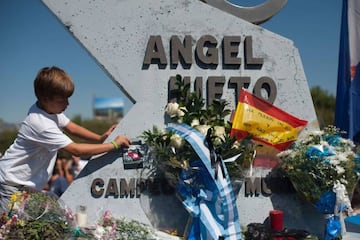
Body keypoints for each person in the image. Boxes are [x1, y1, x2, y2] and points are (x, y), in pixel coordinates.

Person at [0, 66, 131, 213]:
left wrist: (100, 138)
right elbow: (76, 150)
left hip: (22, 186)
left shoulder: (47, 110)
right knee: (11, 231)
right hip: (11, 187)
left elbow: (72, 128)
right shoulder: (40, 123)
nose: (67, 104)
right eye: (62, 100)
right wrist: (113, 144)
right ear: (45, 99)